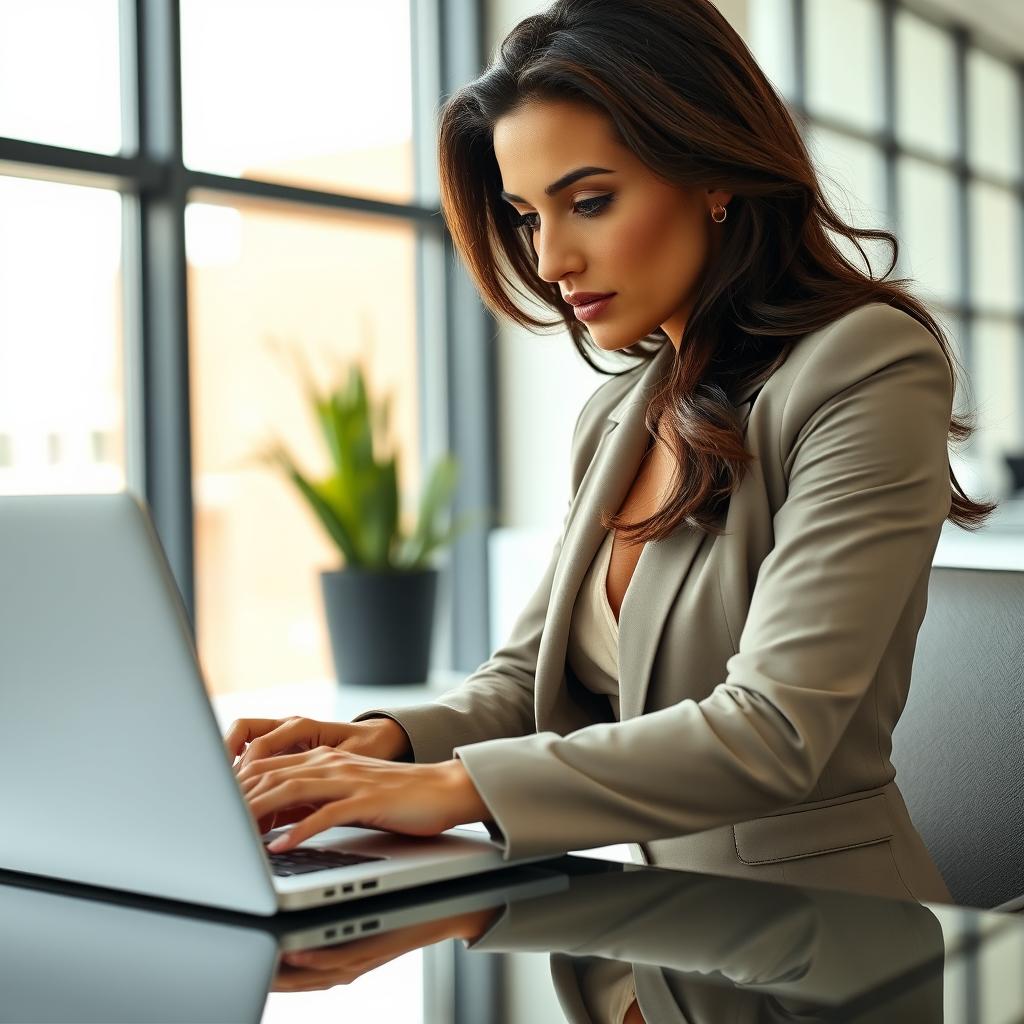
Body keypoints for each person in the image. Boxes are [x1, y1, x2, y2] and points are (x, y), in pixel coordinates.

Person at [226, 0, 993, 934]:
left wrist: (452, 788)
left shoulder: (865, 365)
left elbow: (777, 731)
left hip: (826, 943)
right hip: (651, 928)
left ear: (714, 171)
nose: (550, 258)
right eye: (525, 215)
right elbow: (530, 681)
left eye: (590, 201)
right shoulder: (621, 416)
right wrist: (386, 744)